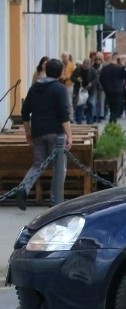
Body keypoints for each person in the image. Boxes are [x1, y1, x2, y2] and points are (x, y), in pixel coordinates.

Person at [16, 58, 73, 211]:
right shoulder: (60, 89)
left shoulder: (34, 87)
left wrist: (28, 131)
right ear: (61, 72)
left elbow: (25, 111)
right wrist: (69, 135)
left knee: (38, 164)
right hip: (55, 132)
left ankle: (24, 188)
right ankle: (55, 201)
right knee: (59, 168)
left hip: (38, 131)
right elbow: (64, 114)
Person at [99, 53, 126, 123]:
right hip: (118, 90)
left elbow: (101, 79)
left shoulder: (105, 68)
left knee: (111, 107)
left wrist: (105, 87)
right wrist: (124, 66)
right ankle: (113, 121)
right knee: (116, 108)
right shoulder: (120, 68)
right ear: (118, 60)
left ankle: (112, 119)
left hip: (108, 91)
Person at [70, 57, 96, 124]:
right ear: (83, 64)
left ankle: (89, 120)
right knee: (79, 105)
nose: (86, 66)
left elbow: (96, 79)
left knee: (90, 104)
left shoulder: (92, 70)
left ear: (90, 65)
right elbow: (72, 77)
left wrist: (91, 83)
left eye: (87, 65)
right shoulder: (78, 69)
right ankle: (79, 120)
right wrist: (77, 80)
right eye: (85, 65)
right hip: (79, 90)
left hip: (90, 90)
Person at [59, 52, 76, 119]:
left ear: (68, 57)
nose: (64, 58)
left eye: (66, 56)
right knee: (61, 101)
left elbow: (75, 74)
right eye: (63, 56)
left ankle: (71, 117)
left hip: (69, 85)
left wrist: (67, 77)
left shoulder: (72, 65)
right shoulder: (60, 65)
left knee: (69, 102)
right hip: (60, 85)